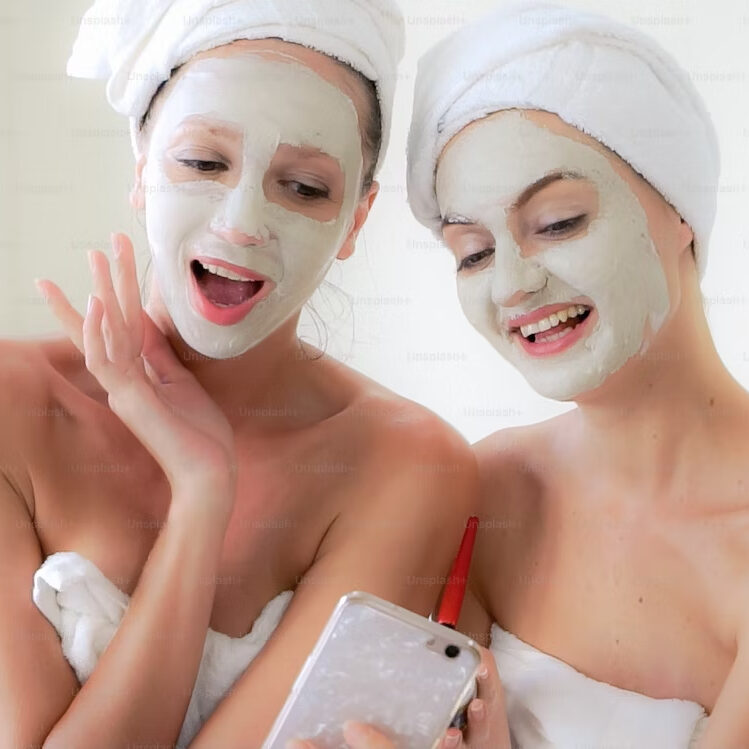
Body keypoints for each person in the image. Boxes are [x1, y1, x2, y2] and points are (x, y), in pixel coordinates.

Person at [0, 2, 477, 748]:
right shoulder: (11, 404)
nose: (242, 222)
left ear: (356, 219)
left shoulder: (408, 462)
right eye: (202, 162)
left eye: (306, 187)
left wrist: (204, 488)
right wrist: (199, 495)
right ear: (141, 165)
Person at [407, 2, 749, 747]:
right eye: (472, 252)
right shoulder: (485, 490)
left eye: (558, 221)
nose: (510, 288)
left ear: (679, 208)